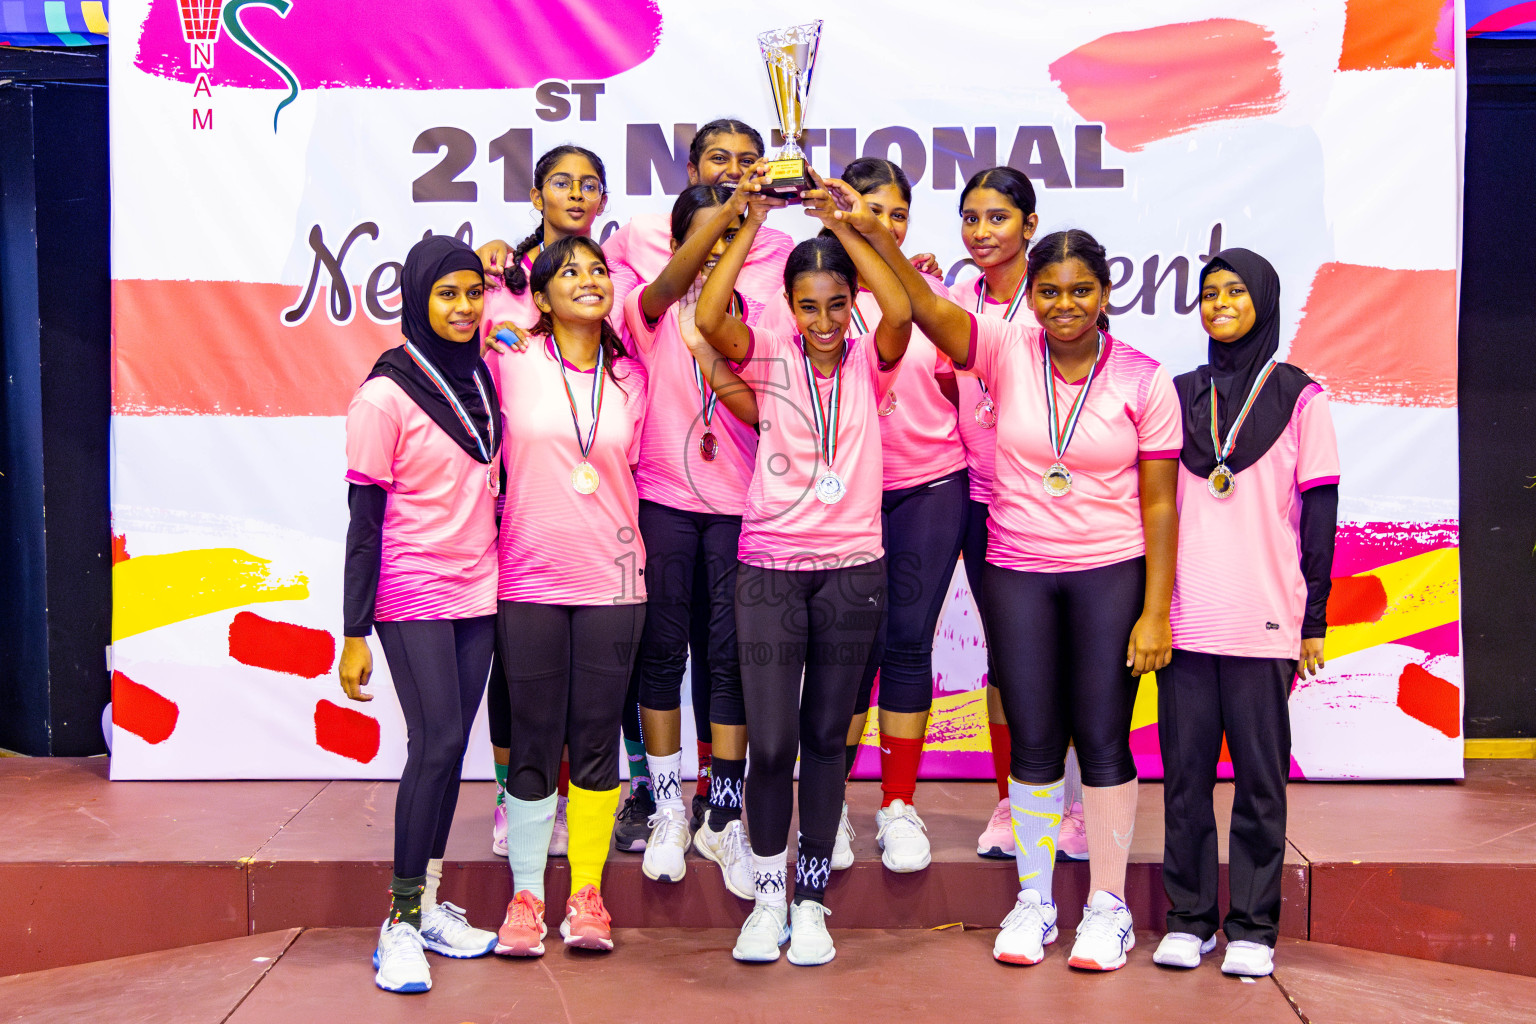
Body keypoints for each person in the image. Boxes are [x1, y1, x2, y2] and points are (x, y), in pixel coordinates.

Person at [840, 212, 1181, 972]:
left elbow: (1160, 504)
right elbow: (923, 305)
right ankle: (1035, 901)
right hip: (1018, 569)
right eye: (1050, 292)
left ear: (1103, 294)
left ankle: (1107, 907)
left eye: (1080, 291)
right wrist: (863, 233)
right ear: (1031, 296)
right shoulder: (1001, 349)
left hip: (1109, 572)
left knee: (1100, 739)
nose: (1063, 305)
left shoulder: (1143, 378)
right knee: (1030, 741)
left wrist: (1155, 610)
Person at [695, 173, 912, 965]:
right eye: (808, 305)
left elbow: (902, 311)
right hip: (771, 572)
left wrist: (847, 224)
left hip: (854, 569)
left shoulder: (870, 359)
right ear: (789, 304)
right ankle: (766, 894)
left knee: (826, 737)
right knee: (774, 742)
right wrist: (750, 223)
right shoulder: (773, 357)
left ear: (849, 300)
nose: (823, 321)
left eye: (835, 304)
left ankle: (812, 898)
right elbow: (711, 316)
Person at [1153, 248, 1338, 978]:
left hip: (1264, 618)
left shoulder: (1301, 397)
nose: (1220, 302)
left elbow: (1319, 517)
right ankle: (1190, 919)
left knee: (1260, 783)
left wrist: (1313, 621)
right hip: (1187, 618)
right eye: (1208, 293)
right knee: (1185, 778)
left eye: (1235, 291)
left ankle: (1254, 928)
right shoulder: (1178, 394)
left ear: (1265, 298)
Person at [339, 235, 502, 992]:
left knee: (450, 747)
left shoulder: (484, 377)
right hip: (412, 593)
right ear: (417, 298)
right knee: (434, 744)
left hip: (480, 589)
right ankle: (400, 921)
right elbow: (363, 520)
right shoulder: (384, 394)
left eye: (474, 292)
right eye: (448, 295)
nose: (465, 308)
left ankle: (430, 903)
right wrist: (352, 631)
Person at [490, 236, 649, 956]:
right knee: (532, 740)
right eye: (568, 272)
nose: (588, 280)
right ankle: (525, 893)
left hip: (614, 585)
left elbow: (637, 467)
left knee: (593, 740)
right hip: (528, 579)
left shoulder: (631, 379)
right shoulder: (511, 356)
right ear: (541, 295)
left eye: (597, 270)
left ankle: (587, 891)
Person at [626, 181, 768, 899]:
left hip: (741, 509)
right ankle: (666, 807)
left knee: (730, 661)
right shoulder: (647, 310)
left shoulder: (760, 319)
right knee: (661, 651)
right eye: (702, 238)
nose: (715, 252)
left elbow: (773, 409)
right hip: (663, 502)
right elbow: (674, 281)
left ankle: (724, 812)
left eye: (728, 238)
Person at [824, 157, 965, 876]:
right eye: (871, 209)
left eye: (899, 214)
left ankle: (899, 806)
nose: (887, 225)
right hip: (847, 495)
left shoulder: (932, 294)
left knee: (908, 644)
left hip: (931, 488)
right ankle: (832, 811)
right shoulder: (820, 296)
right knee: (847, 659)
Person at [476, 144, 614, 861]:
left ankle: (586, 801)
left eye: (591, 183)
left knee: (594, 675)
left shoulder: (610, 272)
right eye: (562, 181)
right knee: (518, 668)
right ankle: (514, 795)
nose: (577, 193)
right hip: (511, 503)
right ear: (536, 196)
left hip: (596, 504)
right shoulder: (500, 280)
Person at [947, 167, 1087, 863]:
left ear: (1030, 225)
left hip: (1054, 505)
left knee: (1067, 657)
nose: (982, 231)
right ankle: (1014, 799)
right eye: (971, 218)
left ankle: (1074, 803)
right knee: (1010, 659)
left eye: (998, 217)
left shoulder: (1056, 299)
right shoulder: (957, 295)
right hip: (981, 495)